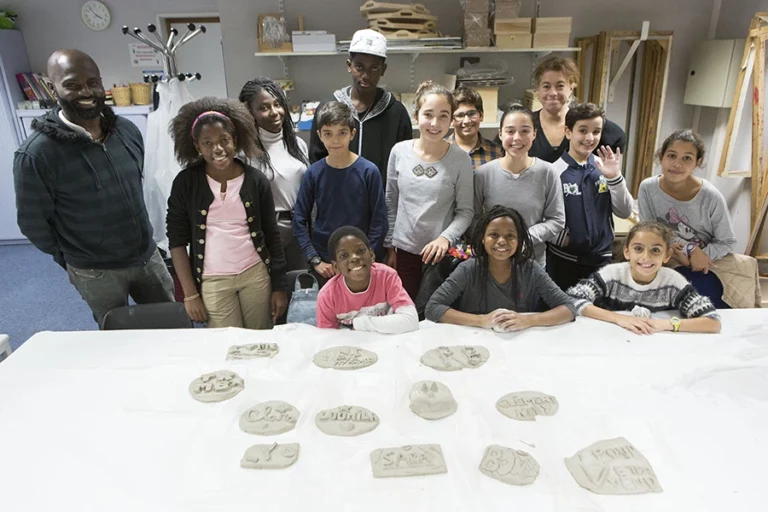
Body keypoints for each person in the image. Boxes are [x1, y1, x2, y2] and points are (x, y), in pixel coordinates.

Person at [13, 49, 173, 327]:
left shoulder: (126, 131)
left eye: (92, 83)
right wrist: (73, 258)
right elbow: (32, 223)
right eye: (73, 85)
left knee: (170, 324)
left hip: (146, 255)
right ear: (53, 88)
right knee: (116, 336)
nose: (86, 92)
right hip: (95, 271)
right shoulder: (38, 154)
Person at [166, 97, 287, 328]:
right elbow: (177, 241)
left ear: (235, 140)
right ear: (197, 146)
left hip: (255, 275)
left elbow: (272, 235)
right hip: (213, 280)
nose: (218, 149)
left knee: (259, 343)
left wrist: (279, 286)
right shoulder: (186, 183)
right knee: (225, 348)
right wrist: (190, 295)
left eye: (224, 140)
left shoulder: (256, 181)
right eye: (208, 143)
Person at [385, 81, 474, 300]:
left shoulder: (460, 159)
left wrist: (445, 239)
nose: (435, 123)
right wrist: (389, 247)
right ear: (416, 117)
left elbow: (465, 211)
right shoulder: (399, 152)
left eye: (444, 115)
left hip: (442, 255)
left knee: (436, 318)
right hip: (404, 253)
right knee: (406, 313)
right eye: (428, 114)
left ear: (452, 120)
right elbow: (391, 202)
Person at [425, 206, 576, 331]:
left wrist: (528, 320)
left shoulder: (530, 269)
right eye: (494, 235)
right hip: (474, 342)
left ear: (519, 240)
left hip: (518, 342)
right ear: (483, 238)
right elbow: (433, 308)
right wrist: (482, 320)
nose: (502, 241)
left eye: (510, 236)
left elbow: (568, 308)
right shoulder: (468, 269)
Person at [637, 130, 737, 308]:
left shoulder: (710, 196)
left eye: (687, 158)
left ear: (697, 163)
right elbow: (649, 231)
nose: (677, 164)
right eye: (672, 155)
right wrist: (688, 248)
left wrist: (697, 256)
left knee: (702, 306)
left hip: (703, 264)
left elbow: (727, 241)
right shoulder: (648, 188)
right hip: (664, 257)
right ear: (661, 157)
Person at [293, 101, 388, 284]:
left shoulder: (369, 171)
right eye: (328, 134)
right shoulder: (313, 173)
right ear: (320, 135)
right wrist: (314, 259)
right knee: (329, 311)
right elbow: (299, 220)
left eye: (342, 133)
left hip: (360, 262)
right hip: (326, 263)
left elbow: (379, 221)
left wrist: (366, 256)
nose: (335, 140)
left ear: (352, 134)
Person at [568, 221, 721, 334]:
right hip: (609, 338)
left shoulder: (673, 282)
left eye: (655, 250)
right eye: (638, 249)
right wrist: (619, 318)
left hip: (651, 345)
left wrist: (666, 324)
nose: (646, 257)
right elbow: (572, 300)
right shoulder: (611, 275)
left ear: (667, 256)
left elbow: (713, 322)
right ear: (627, 252)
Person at [547, 102, 634, 291]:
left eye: (596, 131)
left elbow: (625, 210)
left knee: (598, 313)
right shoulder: (553, 172)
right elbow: (542, 218)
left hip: (601, 260)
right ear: (568, 132)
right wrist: (563, 239)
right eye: (583, 130)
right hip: (564, 262)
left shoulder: (605, 166)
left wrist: (615, 178)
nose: (589, 138)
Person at [308, 28, 412, 181]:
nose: (366, 75)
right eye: (359, 67)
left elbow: (403, 163)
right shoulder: (328, 108)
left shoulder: (396, 113)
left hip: (380, 200)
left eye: (374, 68)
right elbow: (316, 159)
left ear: (383, 69)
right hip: (337, 198)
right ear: (349, 65)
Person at [474, 105, 564, 266]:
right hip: (492, 263)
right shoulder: (483, 174)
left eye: (525, 131)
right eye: (510, 131)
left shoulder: (547, 172)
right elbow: (473, 217)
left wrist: (526, 237)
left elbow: (556, 220)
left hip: (532, 263)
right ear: (500, 134)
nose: (517, 138)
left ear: (534, 134)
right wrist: (493, 240)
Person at [239, 77, 310, 272]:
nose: (274, 112)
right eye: (264, 107)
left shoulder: (297, 144)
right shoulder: (245, 152)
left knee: (302, 292)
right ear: (249, 112)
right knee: (274, 294)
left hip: (301, 230)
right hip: (268, 232)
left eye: (277, 104)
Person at [316, 226, 418, 333]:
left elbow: (411, 320)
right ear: (336, 267)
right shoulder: (327, 296)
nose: (354, 257)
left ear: (371, 255)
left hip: (387, 344)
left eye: (360, 250)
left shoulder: (387, 277)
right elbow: (326, 339)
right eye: (344, 255)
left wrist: (359, 324)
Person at [528, 56, 625, 163]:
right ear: (538, 89)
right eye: (546, 86)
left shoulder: (590, 125)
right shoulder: (526, 125)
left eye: (560, 86)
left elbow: (617, 139)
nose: (553, 93)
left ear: (571, 88)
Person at [447, 86, 503, 169]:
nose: (466, 121)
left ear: (481, 115)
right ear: (451, 119)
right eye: (460, 115)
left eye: (472, 114)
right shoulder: (440, 150)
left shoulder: (497, 151)